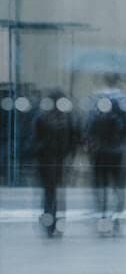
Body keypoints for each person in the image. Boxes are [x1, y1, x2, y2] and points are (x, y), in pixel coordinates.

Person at [85, 73, 126, 236]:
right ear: (118, 81)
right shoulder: (125, 100)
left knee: (101, 187)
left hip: (100, 152)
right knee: (118, 188)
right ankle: (117, 221)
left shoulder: (96, 99)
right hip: (119, 152)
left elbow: (88, 126)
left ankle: (103, 219)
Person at [31, 89, 77, 237]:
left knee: (48, 193)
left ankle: (48, 222)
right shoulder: (67, 119)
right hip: (60, 161)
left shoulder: (41, 117)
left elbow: (34, 139)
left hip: (45, 160)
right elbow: (73, 140)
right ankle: (57, 221)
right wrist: (69, 156)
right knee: (57, 193)